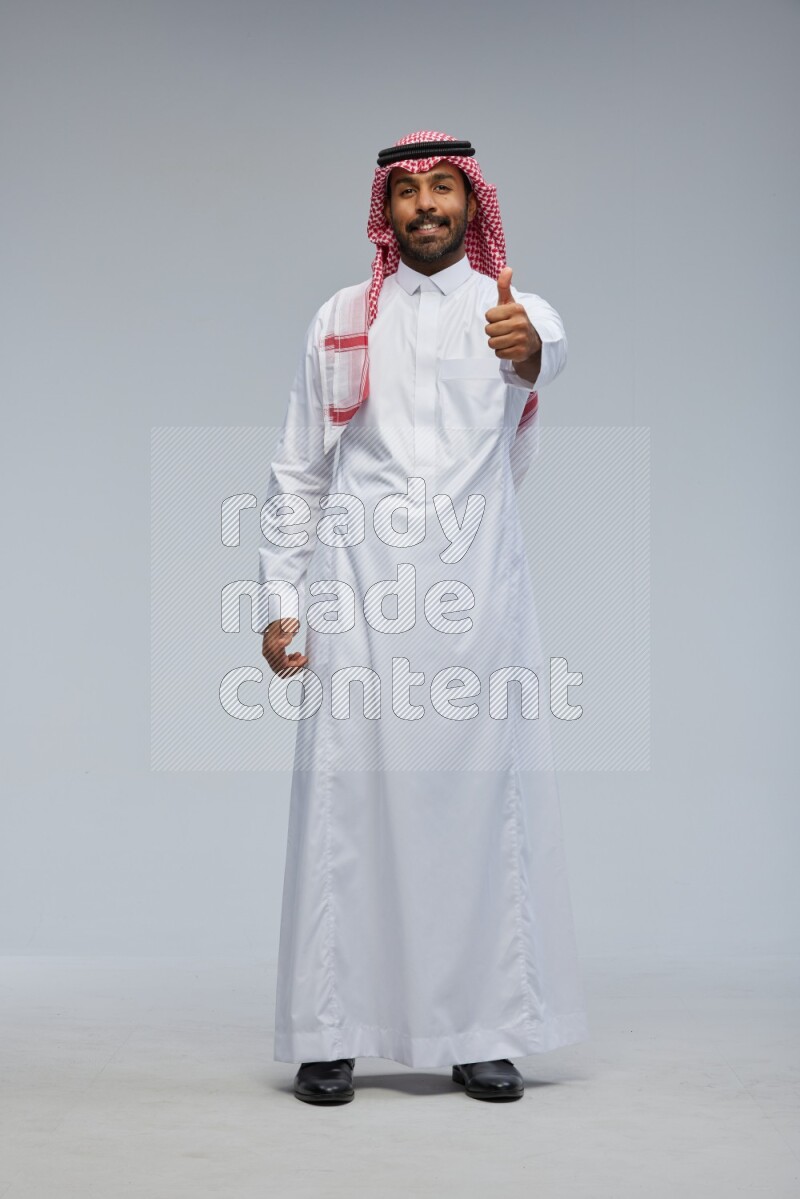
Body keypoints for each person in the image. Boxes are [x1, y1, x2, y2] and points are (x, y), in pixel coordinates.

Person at [258, 131, 589, 1104]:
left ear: (470, 204)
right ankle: (331, 1029)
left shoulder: (510, 311)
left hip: (475, 599)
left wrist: (531, 351)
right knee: (344, 809)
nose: (426, 206)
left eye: (444, 188)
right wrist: (280, 600)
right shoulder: (337, 319)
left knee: (480, 811)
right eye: (407, 193)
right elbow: (295, 467)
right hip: (356, 594)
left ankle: (479, 1030)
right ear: (386, 212)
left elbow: (545, 350)